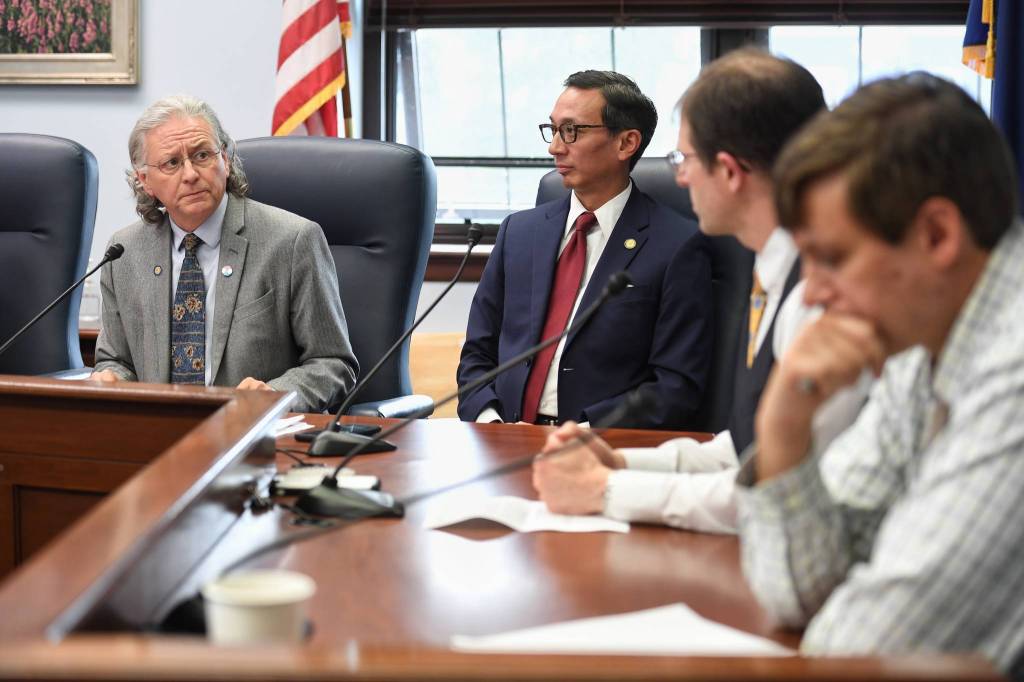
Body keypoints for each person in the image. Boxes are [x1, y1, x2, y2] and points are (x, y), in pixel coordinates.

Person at [737, 73, 1024, 677]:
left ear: (937, 235)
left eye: (832, 258)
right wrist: (784, 424)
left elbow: (866, 646)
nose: (811, 295)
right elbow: (802, 592)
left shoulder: (1014, 365)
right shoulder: (922, 348)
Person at [533, 49, 866, 532]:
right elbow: (746, 449)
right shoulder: (774, 271)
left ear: (730, 172)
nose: (679, 176)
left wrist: (606, 490)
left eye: (683, 158)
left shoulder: (819, 298)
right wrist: (622, 464)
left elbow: (779, 494)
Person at [457, 70, 713, 429]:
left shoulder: (677, 245)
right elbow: (477, 354)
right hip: (502, 437)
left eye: (571, 131)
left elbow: (675, 385)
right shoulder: (519, 232)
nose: (554, 147)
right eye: (553, 129)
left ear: (626, 143)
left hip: (602, 448)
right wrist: (491, 423)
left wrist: (584, 434)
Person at [91, 95, 358, 413]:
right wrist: (111, 380)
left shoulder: (292, 240)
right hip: (157, 437)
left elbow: (333, 364)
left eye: (202, 155)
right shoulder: (124, 253)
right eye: (172, 163)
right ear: (145, 181)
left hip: (253, 440)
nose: (190, 174)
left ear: (226, 159)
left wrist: (274, 394)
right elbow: (116, 361)